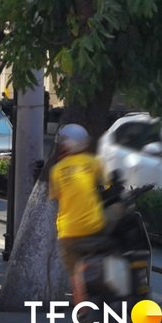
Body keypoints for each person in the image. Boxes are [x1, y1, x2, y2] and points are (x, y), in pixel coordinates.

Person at [49, 124, 107, 302]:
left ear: (67, 145)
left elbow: (55, 196)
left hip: (69, 233)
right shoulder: (93, 162)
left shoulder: (57, 170)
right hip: (94, 227)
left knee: (76, 280)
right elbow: (107, 185)